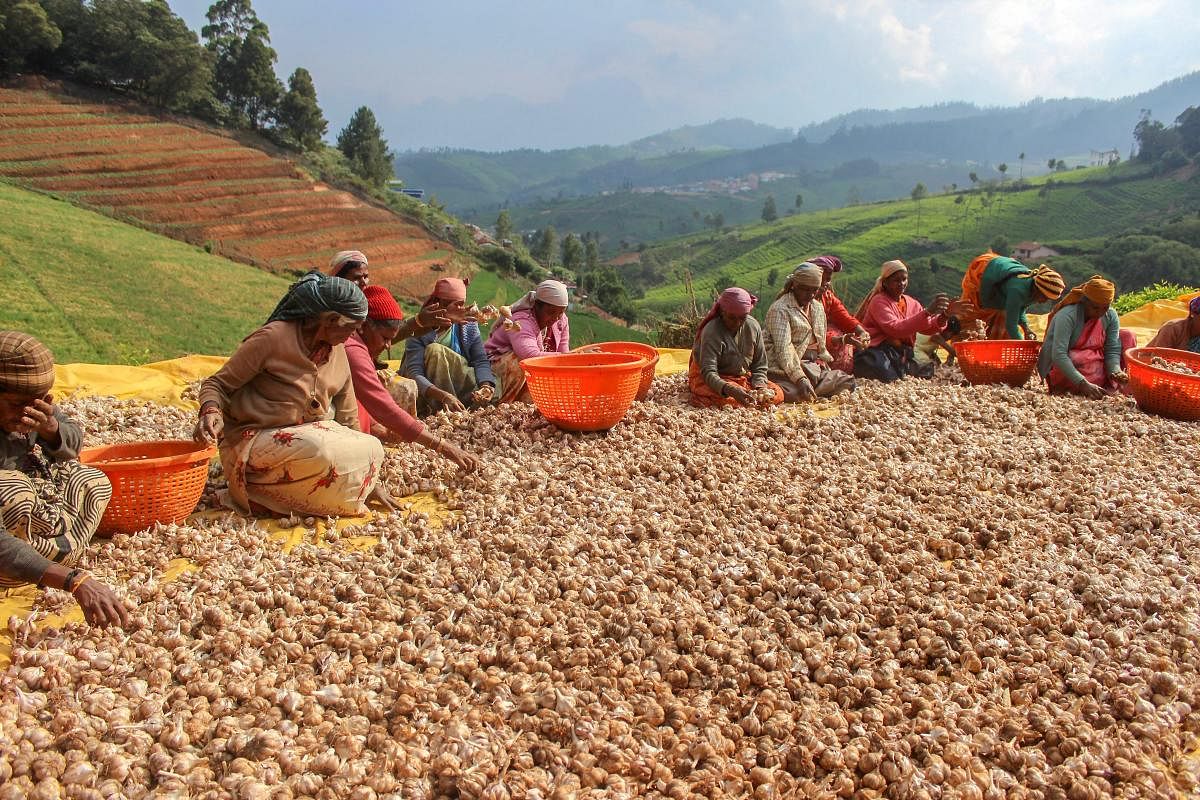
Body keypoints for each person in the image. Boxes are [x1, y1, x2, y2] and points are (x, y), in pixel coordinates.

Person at [194, 272, 387, 517]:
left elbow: (349, 421)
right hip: (253, 437)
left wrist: (368, 479)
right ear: (330, 320)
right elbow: (216, 384)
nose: (352, 335)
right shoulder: (273, 338)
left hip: (306, 440)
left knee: (372, 447)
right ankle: (250, 492)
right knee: (321, 451)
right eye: (350, 328)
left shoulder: (338, 352)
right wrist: (211, 410)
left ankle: (284, 501)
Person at [0, 331, 128, 628]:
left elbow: (73, 444)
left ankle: (38, 561)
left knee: (90, 481)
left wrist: (50, 426)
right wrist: (73, 580)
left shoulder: (32, 406)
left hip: (25, 510)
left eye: (39, 403)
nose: (27, 413)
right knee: (13, 492)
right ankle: (29, 567)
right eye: (16, 404)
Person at [347, 285, 479, 472]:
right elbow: (383, 406)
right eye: (385, 338)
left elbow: (480, 359)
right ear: (364, 325)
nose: (387, 346)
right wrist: (443, 446)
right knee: (371, 449)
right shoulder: (353, 351)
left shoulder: (467, 328)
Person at [403, 278, 498, 413]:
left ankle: (462, 408)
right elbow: (414, 373)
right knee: (435, 350)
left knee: (494, 385)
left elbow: (479, 359)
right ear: (439, 304)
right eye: (455, 305)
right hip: (428, 391)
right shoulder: (419, 329)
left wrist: (486, 385)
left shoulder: (468, 326)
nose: (461, 309)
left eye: (462, 304)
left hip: (456, 386)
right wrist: (443, 396)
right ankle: (438, 410)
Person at [764, 263, 855, 402]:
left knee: (847, 382)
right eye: (805, 289)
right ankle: (806, 388)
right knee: (792, 391)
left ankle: (810, 388)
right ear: (794, 285)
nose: (810, 295)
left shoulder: (817, 308)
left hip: (813, 366)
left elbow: (820, 345)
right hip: (783, 367)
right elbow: (784, 349)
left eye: (814, 290)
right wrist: (800, 378)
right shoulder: (780, 309)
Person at [1038, 275, 1136, 399]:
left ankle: (1115, 386)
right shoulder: (1067, 316)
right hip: (1067, 365)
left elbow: (1112, 349)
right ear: (1084, 302)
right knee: (1077, 358)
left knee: (1128, 336)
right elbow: (1059, 354)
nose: (1100, 312)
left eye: (1105, 308)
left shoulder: (1110, 315)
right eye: (1095, 308)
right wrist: (1082, 383)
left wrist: (1115, 371)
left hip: (1096, 361)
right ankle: (1081, 387)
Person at [853, 260, 950, 382]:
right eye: (896, 280)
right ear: (886, 283)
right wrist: (928, 311)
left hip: (900, 353)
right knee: (884, 372)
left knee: (916, 371)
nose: (902, 283)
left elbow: (928, 327)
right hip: (877, 349)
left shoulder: (912, 303)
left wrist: (945, 315)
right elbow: (895, 329)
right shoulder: (879, 301)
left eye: (904, 279)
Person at [689, 288, 784, 408]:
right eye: (732, 318)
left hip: (741, 377)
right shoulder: (712, 331)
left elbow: (760, 365)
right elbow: (708, 372)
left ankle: (745, 395)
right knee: (731, 400)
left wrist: (760, 386)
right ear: (722, 313)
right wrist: (729, 389)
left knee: (777, 394)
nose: (738, 323)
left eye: (742, 318)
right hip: (712, 378)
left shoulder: (753, 327)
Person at [484, 279, 571, 403]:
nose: (556, 318)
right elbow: (530, 355)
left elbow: (564, 354)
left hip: (524, 371)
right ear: (537, 306)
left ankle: (527, 406)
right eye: (551, 312)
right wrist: (572, 357)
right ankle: (502, 406)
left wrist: (574, 359)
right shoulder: (521, 321)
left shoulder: (561, 321)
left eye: (561, 313)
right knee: (523, 363)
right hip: (494, 366)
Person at [958, 252, 1066, 340]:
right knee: (971, 316)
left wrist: (1026, 329)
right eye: (1045, 297)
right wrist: (1024, 347)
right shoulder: (1017, 290)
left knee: (1001, 318)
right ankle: (957, 351)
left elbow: (1021, 308)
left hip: (1000, 277)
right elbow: (1011, 326)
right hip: (984, 271)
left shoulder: (1033, 289)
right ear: (1038, 290)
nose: (1044, 301)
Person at [809, 255, 870, 373]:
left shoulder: (827, 297)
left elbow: (843, 317)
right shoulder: (801, 300)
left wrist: (862, 332)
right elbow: (808, 334)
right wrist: (840, 340)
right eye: (822, 278)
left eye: (828, 279)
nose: (826, 283)